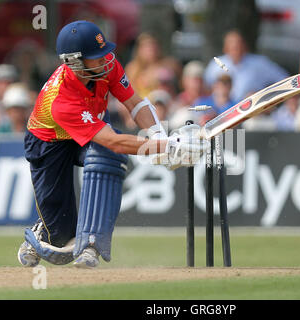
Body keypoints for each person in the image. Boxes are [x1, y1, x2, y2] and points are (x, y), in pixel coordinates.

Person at [17, 20, 208, 269]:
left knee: (104, 156)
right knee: (62, 239)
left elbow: (135, 103)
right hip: (49, 143)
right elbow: (115, 141)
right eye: (96, 56)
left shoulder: (104, 66)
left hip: (92, 121)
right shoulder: (61, 100)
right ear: (75, 62)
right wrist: (167, 147)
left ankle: (91, 246)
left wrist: (159, 137)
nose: (106, 59)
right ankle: (42, 232)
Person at [204, 29, 288, 102]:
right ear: (225, 48)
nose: (236, 50)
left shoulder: (260, 63)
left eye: (239, 46)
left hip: (253, 114)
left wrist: (264, 97)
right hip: (222, 112)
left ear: (245, 46)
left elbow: (284, 80)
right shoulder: (215, 64)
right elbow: (205, 88)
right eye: (233, 47)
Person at [125, 32, 181, 98]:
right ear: (139, 49)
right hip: (142, 103)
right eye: (146, 46)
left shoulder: (171, 64)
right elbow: (128, 92)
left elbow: (182, 85)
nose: (151, 49)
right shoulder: (132, 69)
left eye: (153, 45)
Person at [169, 60, 208, 129]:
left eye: (200, 79)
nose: (197, 83)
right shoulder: (178, 102)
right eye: (194, 79)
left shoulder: (211, 101)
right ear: (185, 80)